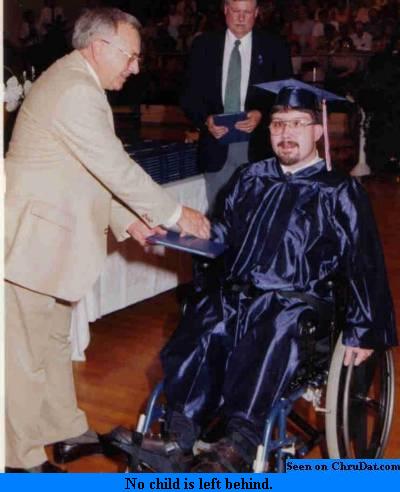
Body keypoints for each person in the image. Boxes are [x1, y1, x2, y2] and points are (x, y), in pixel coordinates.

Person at [105, 80, 397, 472]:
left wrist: (364, 330)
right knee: (206, 317)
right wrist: (183, 233)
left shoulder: (338, 191)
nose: (286, 133)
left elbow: (363, 262)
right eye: (278, 124)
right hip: (241, 293)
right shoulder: (251, 178)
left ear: (318, 130)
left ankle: (239, 442)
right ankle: (178, 436)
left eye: (297, 123)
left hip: (298, 303)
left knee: (272, 325)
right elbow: (224, 233)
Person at [4, 7, 210, 473]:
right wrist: (176, 213)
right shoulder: (76, 90)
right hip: (31, 243)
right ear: (100, 47)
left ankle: (62, 429)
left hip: (48, 241)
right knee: (23, 356)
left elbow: (84, 167)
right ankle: (18, 461)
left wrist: (129, 221)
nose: (135, 68)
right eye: (131, 56)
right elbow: (113, 166)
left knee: (52, 343)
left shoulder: (77, 81)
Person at [180, 0, 292, 213]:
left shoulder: (275, 47)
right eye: (235, 11)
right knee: (219, 214)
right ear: (225, 10)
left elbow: (284, 94)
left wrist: (262, 114)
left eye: (247, 12)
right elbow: (188, 96)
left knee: (257, 214)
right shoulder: (203, 45)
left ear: (256, 13)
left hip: (258, 146)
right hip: (215, 146)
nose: (241, 18)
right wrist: (205, 120)